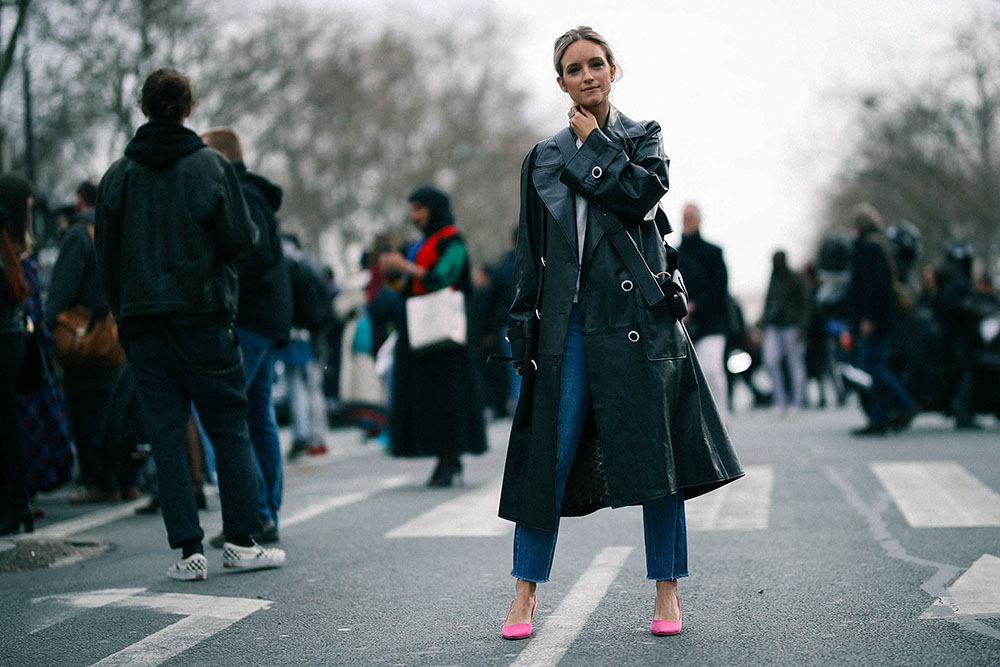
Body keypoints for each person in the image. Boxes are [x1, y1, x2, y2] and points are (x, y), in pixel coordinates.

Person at [498, 26, 743, 640]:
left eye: (596, 64)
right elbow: (532, 253)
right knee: (546, 462)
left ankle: (667, 591)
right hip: (570, 327)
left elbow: (640, 195)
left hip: (637, 326)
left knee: (657, 460)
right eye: (574, 69)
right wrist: (522, 326)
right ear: (560, 82)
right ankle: (525, 594)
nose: (587, 76)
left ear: (614, 70)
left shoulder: (643, 139)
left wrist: (593, 144)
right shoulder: (542, 157)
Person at [95, 68, 285, 579]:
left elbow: (105, 260)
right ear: (189, 108)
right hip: (203, 316)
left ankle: (189, 551)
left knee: (166, 433)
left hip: (142, 324)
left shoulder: (117, 176)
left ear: (142, 109)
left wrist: (123, 314)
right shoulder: (209, 167)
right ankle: (242, 541)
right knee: (229, 425)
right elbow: (242, 240)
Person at [202, 127, 291, 544]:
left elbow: (251, 258)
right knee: (257, 413)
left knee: (231, 413)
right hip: (266, 319)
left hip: (250, 319)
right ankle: (265, 510)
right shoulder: (253, 192)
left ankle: (256, 512)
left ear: (220, 155)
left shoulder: (240, 193)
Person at [379, 185, 488, 487]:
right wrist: (392, 272)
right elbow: (408, 287)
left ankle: (450, 458)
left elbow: (443, 277)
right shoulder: (420, 244)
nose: (415, 216)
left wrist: (407, 268)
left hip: (446, 337)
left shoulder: (452, 240)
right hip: (420, 333)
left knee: (447, 399)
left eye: (419, 209)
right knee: (427, 399)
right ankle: (442, 456)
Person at [45, 180, 130, 503]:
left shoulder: (78, 236)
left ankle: (101, 482)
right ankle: (125, 479)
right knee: (116, 410)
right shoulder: (117, 231)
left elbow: (62, 290)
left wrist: (46, 325)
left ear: (79, 200)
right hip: (115, 336)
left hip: (84, 340)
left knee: (86, 413)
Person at [847, 204, 918, 436]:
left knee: (873, 366)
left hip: (875, 321)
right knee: (874, 368)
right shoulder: (876, 246)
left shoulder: (872, 248)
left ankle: (905, 404)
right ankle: (878, 419)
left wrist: (869, 318)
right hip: (877, 319)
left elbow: (875, 289)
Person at [0, 174, 35, 535]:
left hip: (4, 336)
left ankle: (14, 504)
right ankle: (19, 504)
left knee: (6, 425)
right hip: (13, 338)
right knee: (9, 423)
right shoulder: (14, 244)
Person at [677, 202, 730, 420]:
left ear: (699, 219)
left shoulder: (713, 252)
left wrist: (694, 305)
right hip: (684, 326)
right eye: (685, 216)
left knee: (711, 370)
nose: (687, 219)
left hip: (711, 325)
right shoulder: (674, 254)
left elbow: (720, 289)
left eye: (691, 216)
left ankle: (721, 418)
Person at [761, 250, 808, 412]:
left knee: (794, 364)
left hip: (791, 325)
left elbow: (804, 304)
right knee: (772, 361)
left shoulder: (794, 278)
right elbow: (768, 301)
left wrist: (802, 326)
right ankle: (780, 400)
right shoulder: (774, 278)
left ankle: (797, 401)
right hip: (775, 325)